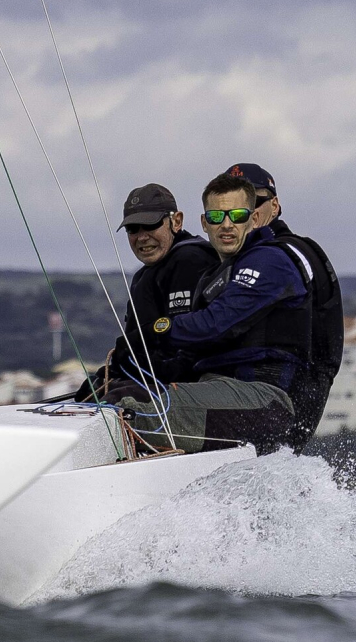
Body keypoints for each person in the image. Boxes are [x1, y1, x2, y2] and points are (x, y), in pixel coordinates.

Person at [109, 173, 311, 454]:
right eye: (216, 217)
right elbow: (192, 353)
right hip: (220, 389)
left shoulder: (270, 260)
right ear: (204, 223)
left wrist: (153, 332)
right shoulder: (217, 272)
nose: (226, 224)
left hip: (264, 397)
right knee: (114, 398)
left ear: (254, 219)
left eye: (237, 216)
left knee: (126, 411)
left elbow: (215, 323)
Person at [225, 163, 344, 450]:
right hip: (279, 392)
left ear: (275, 205)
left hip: (285, 391)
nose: (244, 213)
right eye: (230, 207)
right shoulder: (272, 252)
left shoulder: (276, 256)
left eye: (253, 202)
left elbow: (220, 322)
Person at [74, 183, 218, 402]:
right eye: (133, 229)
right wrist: (112, 373)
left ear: (177, 221)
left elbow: (186, 356)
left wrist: (126, 370)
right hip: (154, 381)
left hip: (188, 392)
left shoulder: (190, 260)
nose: (142, 237)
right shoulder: (145, 274)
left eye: (151, 225)